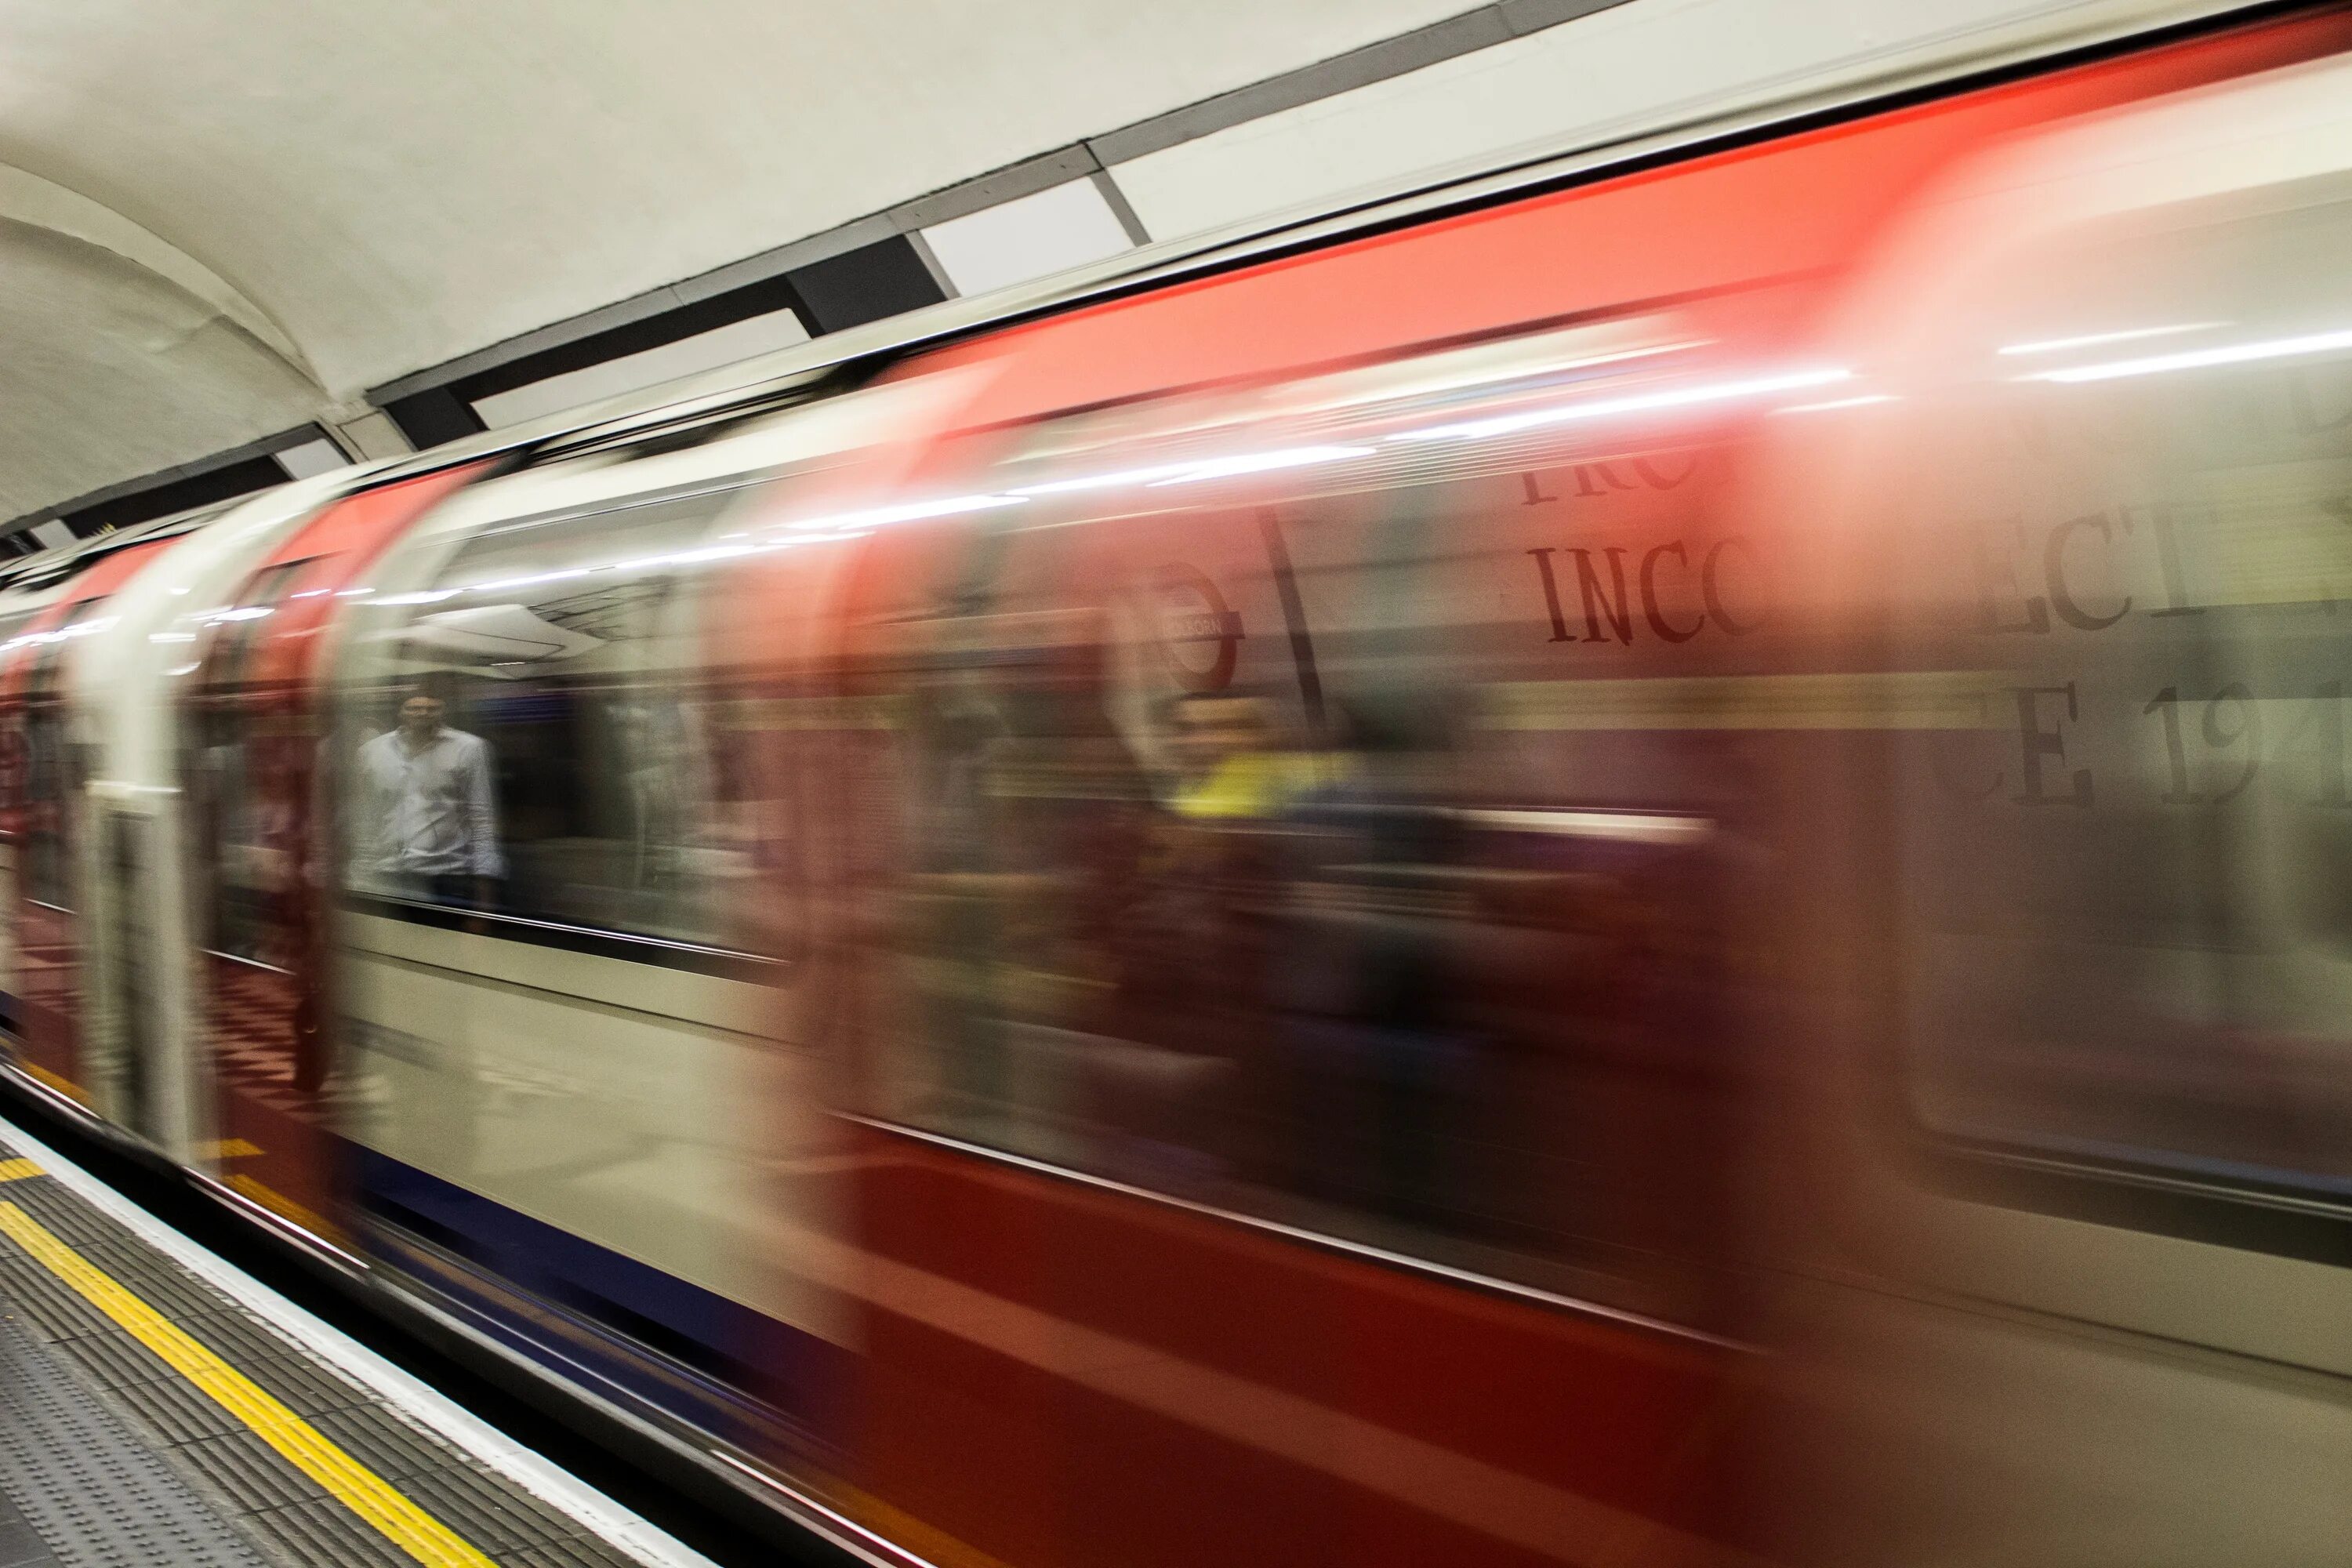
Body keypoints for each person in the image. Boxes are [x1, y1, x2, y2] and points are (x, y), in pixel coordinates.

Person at [353, 684, 503, 908]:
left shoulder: (469, 748)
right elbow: (365, 817)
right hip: (385, 874)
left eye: (431, 708)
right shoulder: (372, 752)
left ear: (443, 710)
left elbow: (481, 818)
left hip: (446, 877)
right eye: (414, 708)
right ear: (401, 711)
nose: (423, 714)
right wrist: (360, 874)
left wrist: (485, 890)